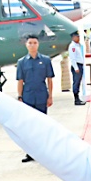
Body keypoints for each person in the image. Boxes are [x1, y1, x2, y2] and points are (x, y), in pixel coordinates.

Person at [16, 34, 55, 163]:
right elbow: (20, 81)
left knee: (43, 125)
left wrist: (50, 96)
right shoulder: (22, 62)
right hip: (28, 96)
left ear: (38, 44)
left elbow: (49, 79)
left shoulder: (45, 60)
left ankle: (44, 152)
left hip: (41, 96)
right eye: (30, 43)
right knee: (29, 127)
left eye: (34, 43)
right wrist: (20, 96)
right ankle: (30, 153)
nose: (32, 45)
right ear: (26, 45)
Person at [68, 31, 86, 106]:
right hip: (77, 66)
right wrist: (76, 67)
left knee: (78, 82)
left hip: (80, 65)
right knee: (76, 82)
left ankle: (78, 98)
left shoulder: (77, 45)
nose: (78, 38)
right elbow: (72, 58)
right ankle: (76, 99)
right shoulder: (72, 46)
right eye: (77, 36)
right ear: (73, 37)